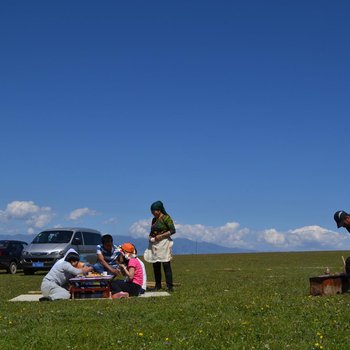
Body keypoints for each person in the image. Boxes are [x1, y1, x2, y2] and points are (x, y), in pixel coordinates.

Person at [143, 201, 176, 292]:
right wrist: (150, 237)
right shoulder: (154, 220)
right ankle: (158, 285)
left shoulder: (166, 218)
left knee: (166, 264)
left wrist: (160, 236)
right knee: (156, 264)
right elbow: (152, 231)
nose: (153, 213)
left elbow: (173, 230)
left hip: (164, 243)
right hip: (155, 244)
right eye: (152, 211)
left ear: (159, 210)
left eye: (154, 211)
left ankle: (169, 286)